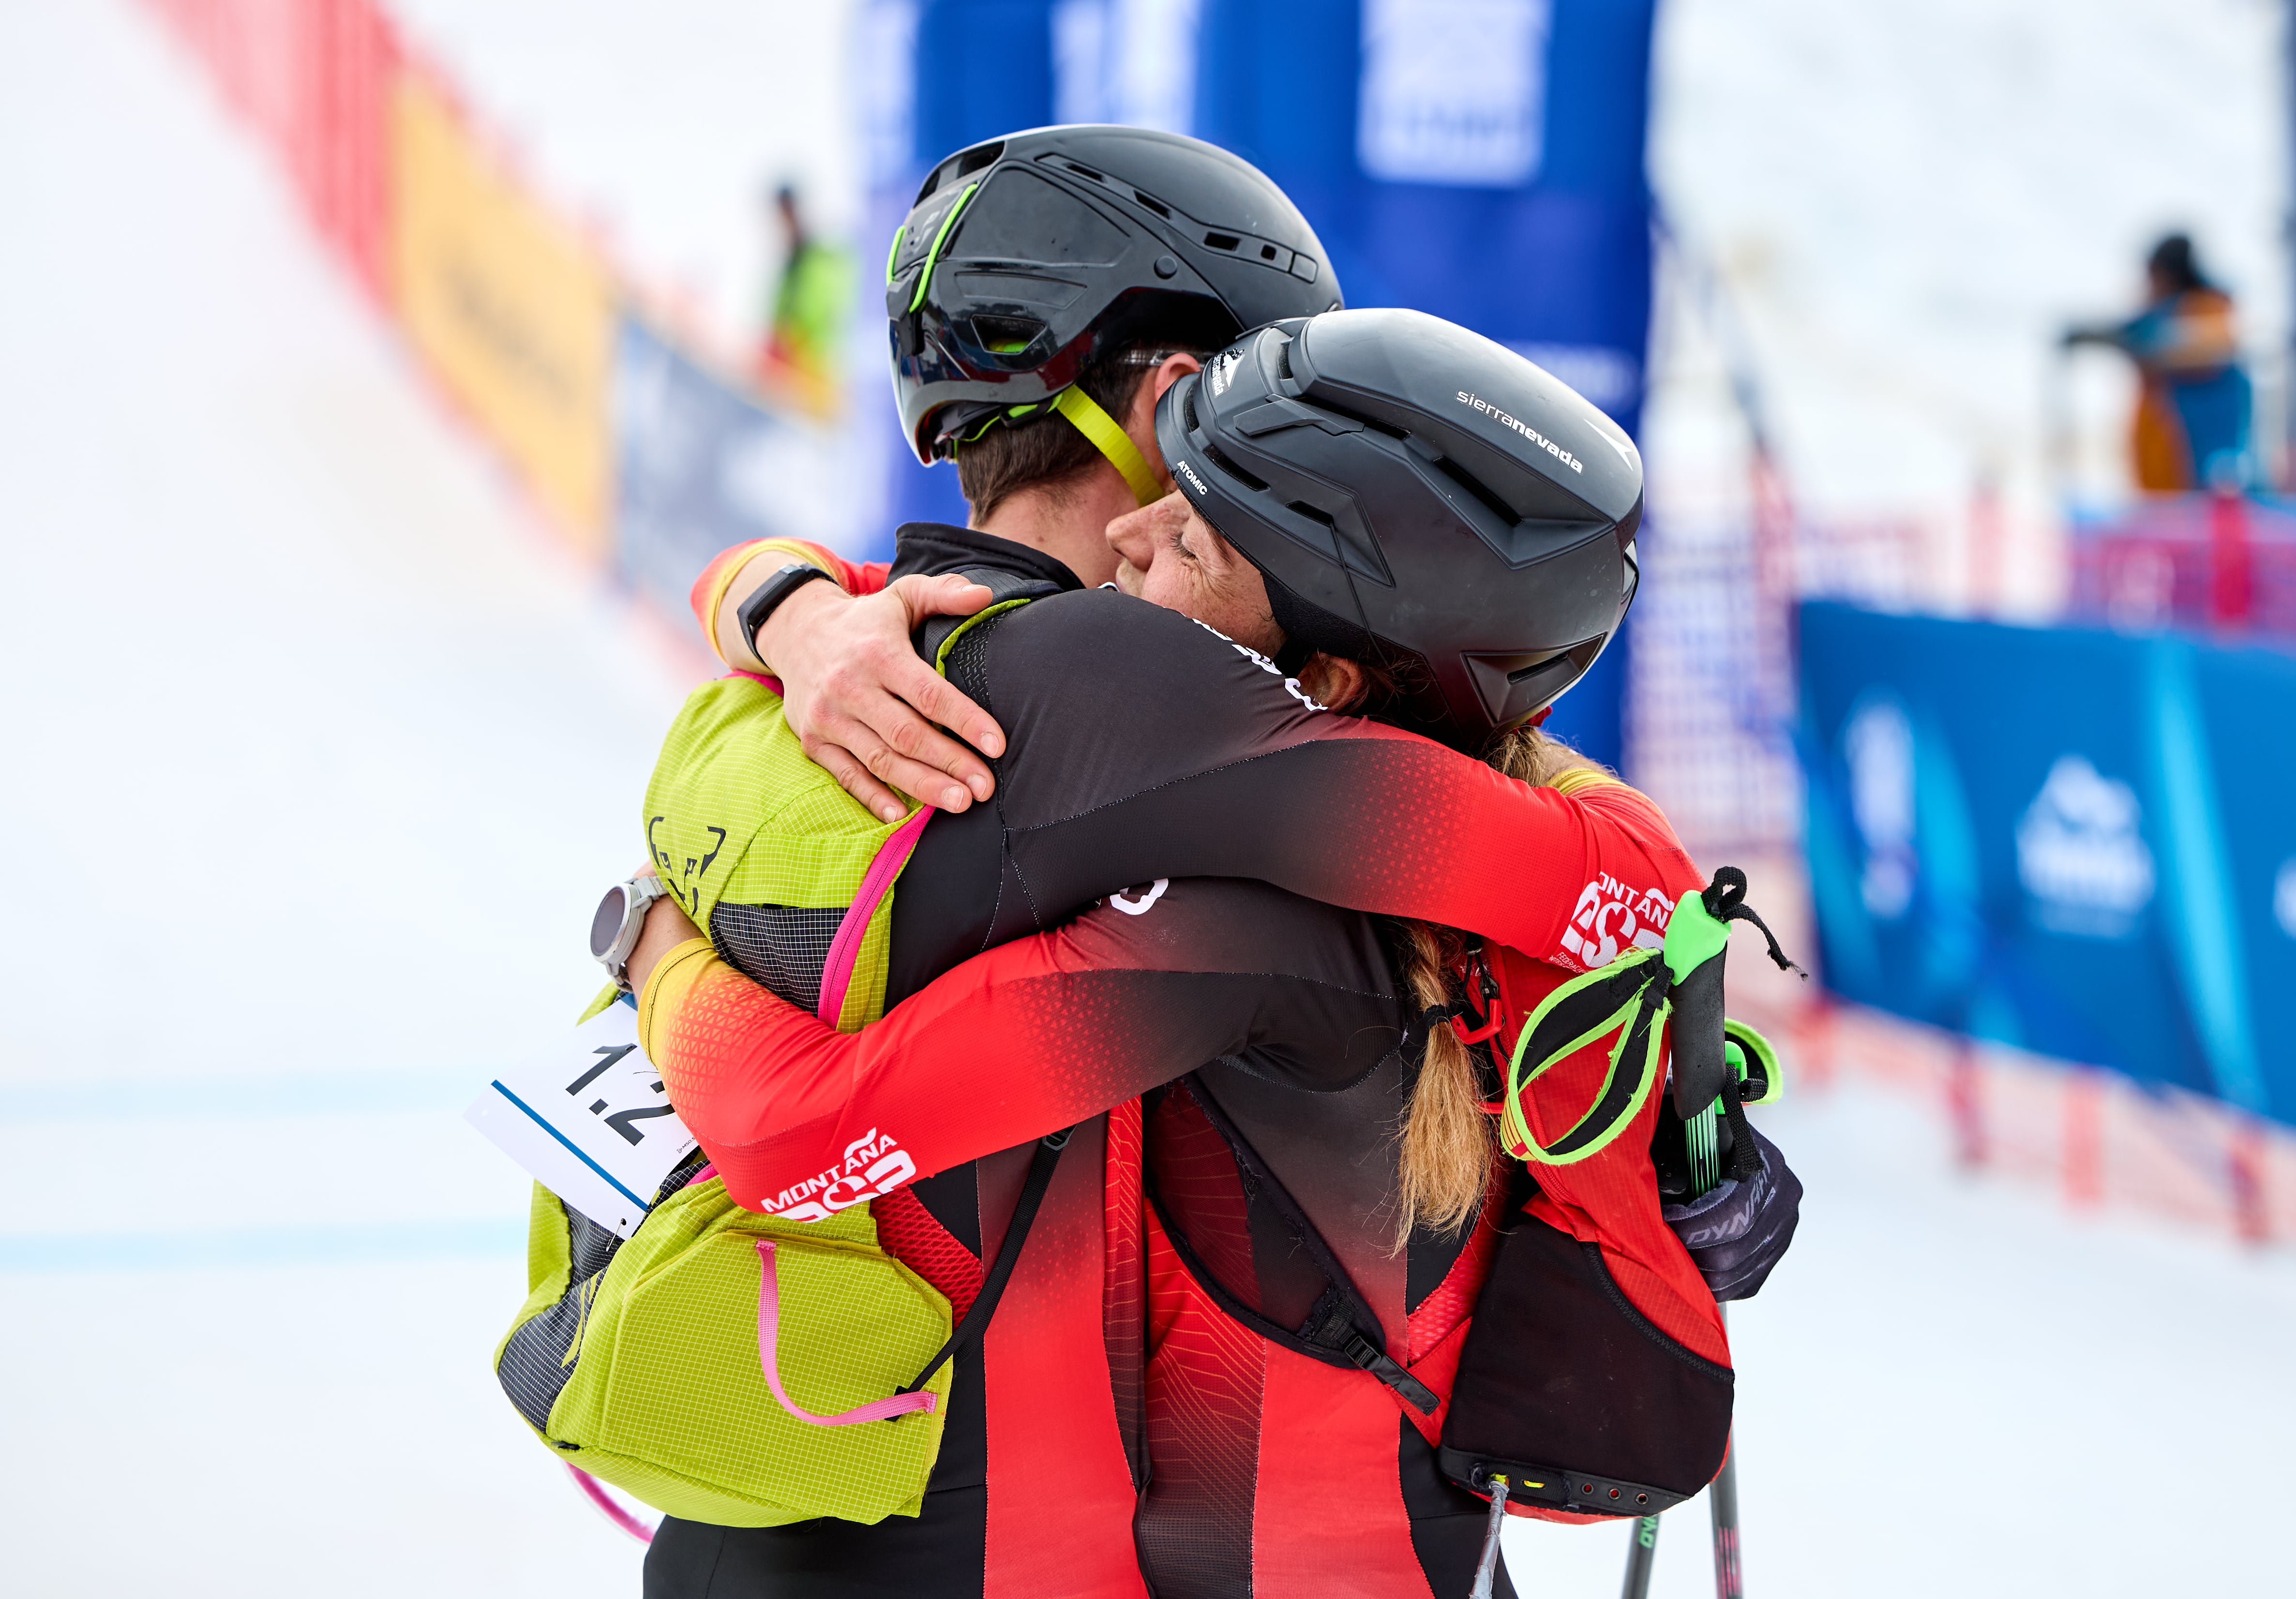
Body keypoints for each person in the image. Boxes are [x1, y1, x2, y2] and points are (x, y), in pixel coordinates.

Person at [630, 311, 1799, 1596]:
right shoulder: (1494, 801)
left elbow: (796, 1136)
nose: (1129, 534)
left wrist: (652, 940)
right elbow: (1638, 889)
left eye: (1189, 537)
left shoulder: (1242, 920)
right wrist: (790, 603)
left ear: (1325, 684)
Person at [2065, 232, 2252, 492]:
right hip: (2167, 462)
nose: (2148, 285)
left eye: (2152, 276)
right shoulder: (2157, 316)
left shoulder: (2209, 310)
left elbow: (2200, 348)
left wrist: (2142, 346)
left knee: (2207, 497)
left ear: (2167, 275)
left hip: (2202, 455)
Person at [758, 182, 852, 418]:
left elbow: (822, 316)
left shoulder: (822, 262)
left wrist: (788, 342)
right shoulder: (789, 266)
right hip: (788, 385)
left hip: (816, 384)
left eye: (787, 213)